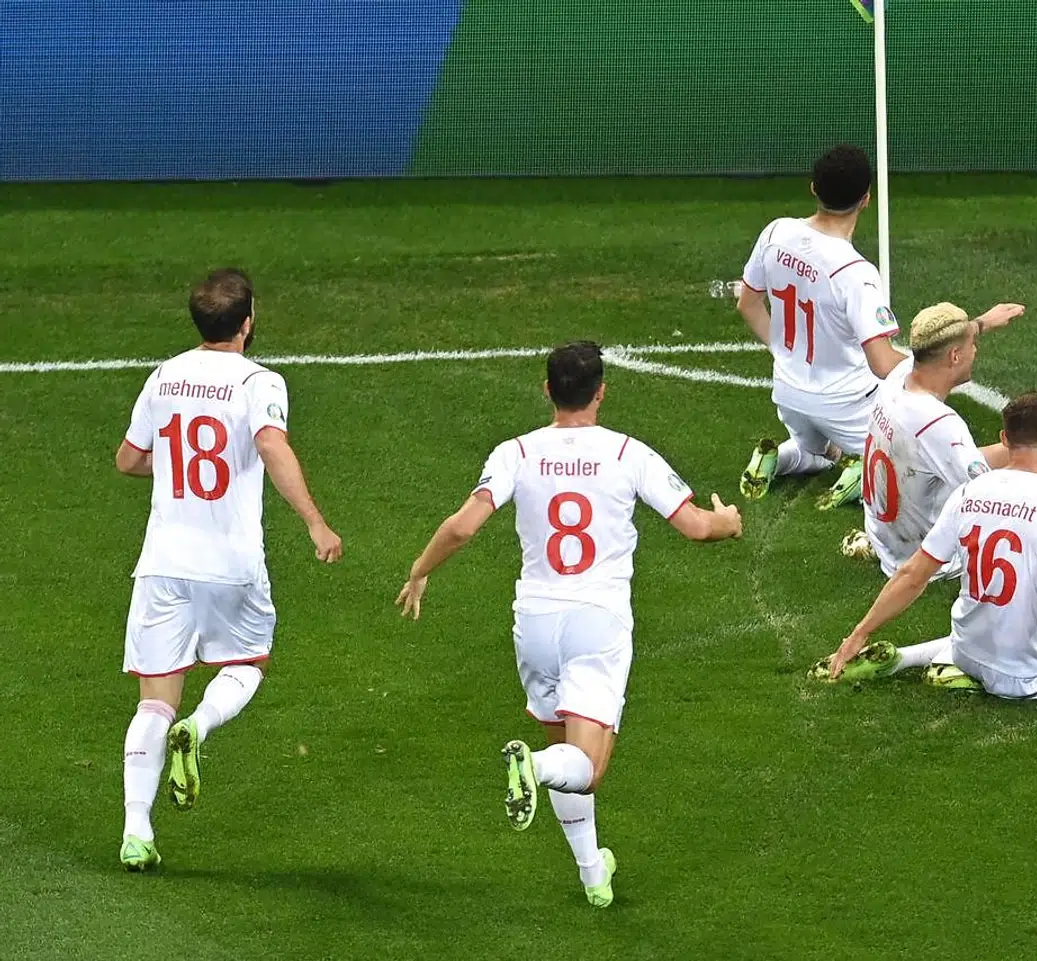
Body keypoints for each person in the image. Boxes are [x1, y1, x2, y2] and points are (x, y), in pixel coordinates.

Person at [395, 341, 742, 908]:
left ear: (547, 390)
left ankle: (592, 874)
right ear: (601, 392)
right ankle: (529, 766)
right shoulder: (629, 453)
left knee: (564, 751)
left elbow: (462, 527)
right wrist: (728, 522)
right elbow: (697, 527)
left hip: (534, 621)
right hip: (596, 622)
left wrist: (420, 569)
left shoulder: (517, 453)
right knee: (587, 767)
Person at [113, 268, 343, 871]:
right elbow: (270, 445)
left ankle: (136, 831)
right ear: (247, 324)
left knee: (151, 702)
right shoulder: (258, 381)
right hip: (231, 563)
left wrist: (176, 472)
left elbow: (129, 459)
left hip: (163, 562)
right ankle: (202, 726)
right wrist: (316, 522)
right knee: (247, 663)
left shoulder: (163, 376)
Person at [817, 392, 1037, 729]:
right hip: (1026, 676)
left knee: (992, 619)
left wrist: (859, 633)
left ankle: (909, 659)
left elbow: (913, 574)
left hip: (967, 653)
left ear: (1004, 438)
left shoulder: (968, 493)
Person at [842, 302, 1037, 583]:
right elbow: (996, 504)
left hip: (886, 538)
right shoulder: (939, 425)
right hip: (929, 562)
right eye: (972, 344)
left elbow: (952, 455)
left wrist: (982, 323)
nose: (976, 350)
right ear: (954, 356)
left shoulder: (898, 377)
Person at [735, 144, 908, 510]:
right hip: (847, 406)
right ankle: (865, 474)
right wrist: (928, 366)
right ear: (866, 200)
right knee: (911, 463)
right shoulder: (855, 272)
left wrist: (783, 351)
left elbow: (747, 303)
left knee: (816, 451)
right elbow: (881, 363)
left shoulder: (775, 233)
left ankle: (778, 458)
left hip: (789, 395)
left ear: (813, 188)